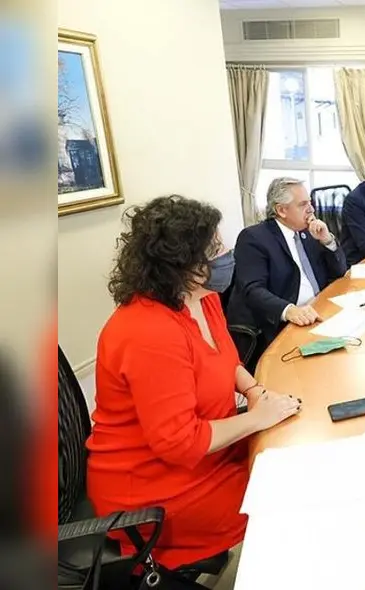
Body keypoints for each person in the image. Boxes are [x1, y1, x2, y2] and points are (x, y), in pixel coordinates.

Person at [87, 196, 302, 571]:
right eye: (215, 248)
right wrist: (258, 418)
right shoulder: (148, 332)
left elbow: (227, 360)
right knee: (284, 503)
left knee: (291, 458)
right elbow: (179, 442)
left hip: (209, 452)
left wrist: (254, 392)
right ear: (181, 263)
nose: (226, 253)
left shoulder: (203, 298)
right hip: (156, 488)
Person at [227, 177, 347, 367]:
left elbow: (339, 272)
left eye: (310, 203)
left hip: (317, 310)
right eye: (303, 204)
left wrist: (327, 241)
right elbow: (251, 289)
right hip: (283, 322)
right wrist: (288, 310)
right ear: (281, 210)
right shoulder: (254, 238)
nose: (312, 209)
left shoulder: (309, 231)